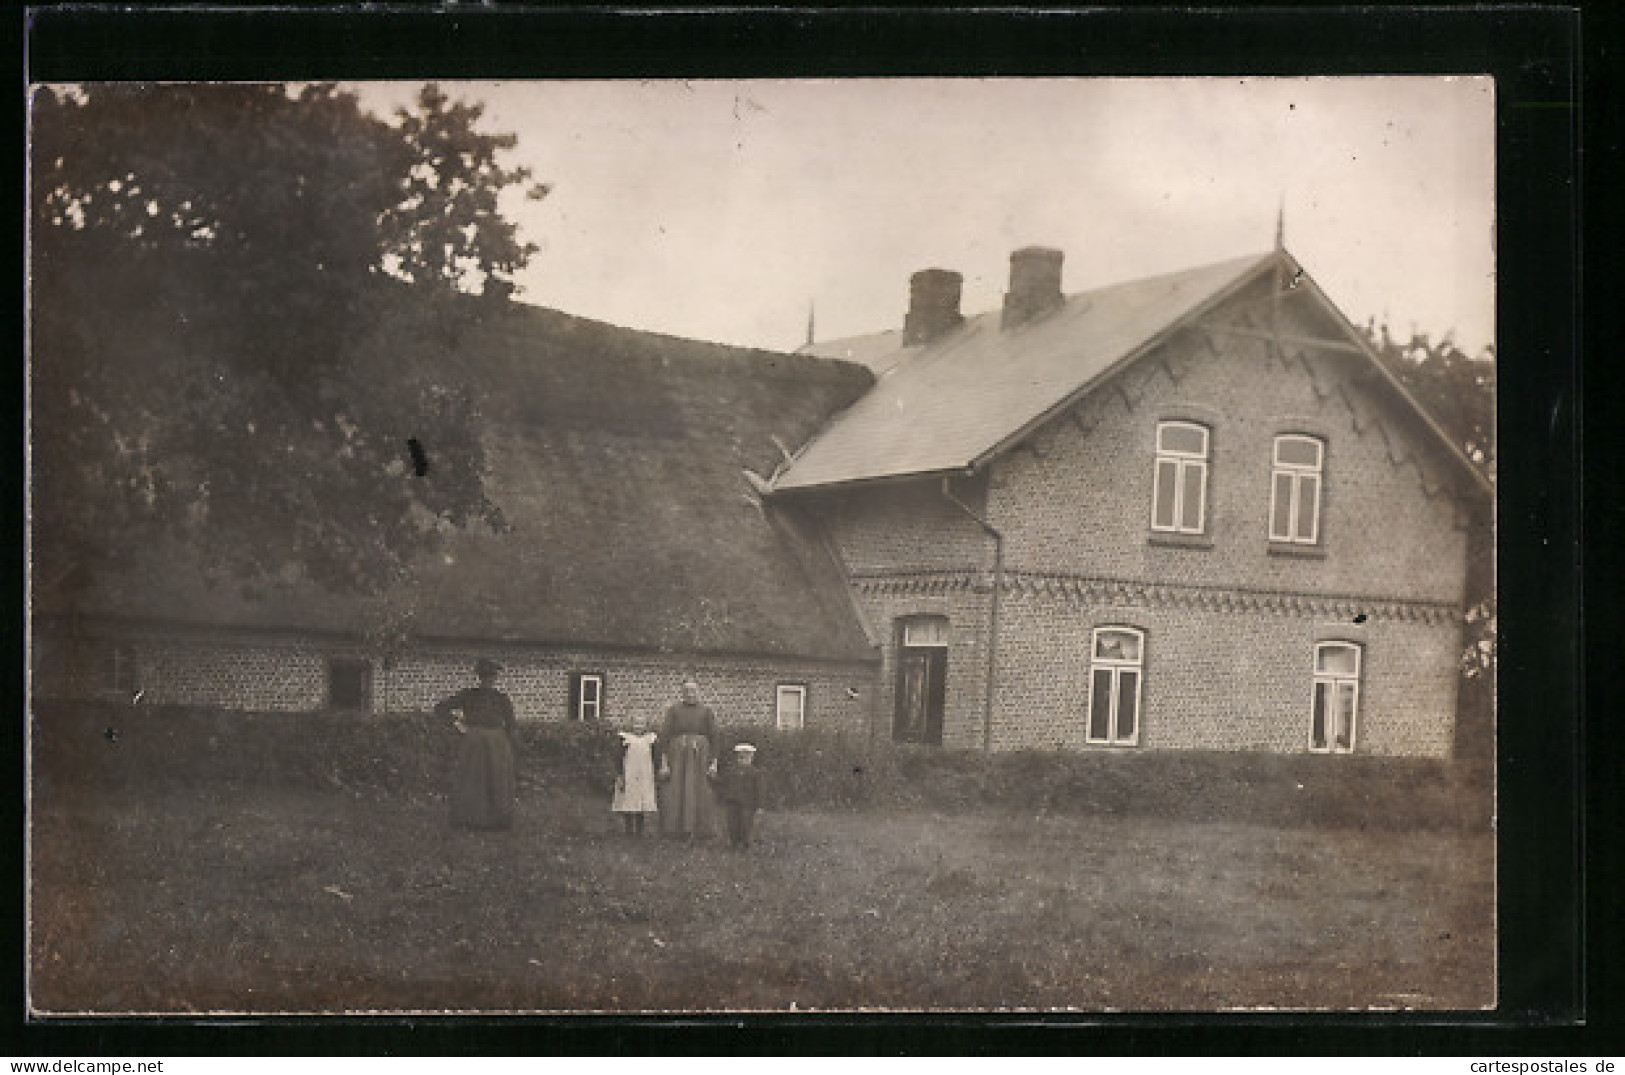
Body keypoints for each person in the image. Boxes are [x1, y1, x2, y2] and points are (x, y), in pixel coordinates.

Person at [434, 658, 518, 830]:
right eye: (486, 676)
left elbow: (511, 725)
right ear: (481, 677)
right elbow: (440, 708)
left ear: (494, 678)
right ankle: (473, 820)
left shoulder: (501, 698)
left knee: (493, 779)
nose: (489, 680)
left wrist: (509, 746)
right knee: (474, 779)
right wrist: (457, 723)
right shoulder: (470, 695)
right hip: (479, 740)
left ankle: (493, 821)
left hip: (494, 742)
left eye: (491, 677)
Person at [658, 677, 718, 839]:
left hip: (700, 755)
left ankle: (700, 829)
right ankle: (675, 829)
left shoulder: (706, 711)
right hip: (678, 755)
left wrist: (714, 763)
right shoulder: (674, 710)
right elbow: (664, 737)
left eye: (693, 691)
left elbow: (715, 738)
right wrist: (664, 764)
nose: (690, 694)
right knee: (677, 789)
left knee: (699, 789)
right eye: (686, 691)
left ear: (698, 692)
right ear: (682, 693)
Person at [610, 713, 661, 836]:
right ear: (631, 725)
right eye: (636, 723)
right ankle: (628, 830)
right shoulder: (625, 738)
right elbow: (618, 757)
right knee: (628, 800)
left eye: (641, 723)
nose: (638, 726)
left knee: (641, 801)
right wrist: (620, 775)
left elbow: (656, 758)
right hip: (629, 774)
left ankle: (639, 831)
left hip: (645, 775)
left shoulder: (650, 739)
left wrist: (656, 772)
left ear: (646, 725)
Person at [711, 742, 763, 851]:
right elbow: (723, 782)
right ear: (737, 757)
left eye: (746, 756)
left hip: (748, 804)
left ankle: (746, 845)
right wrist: (712, 778)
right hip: (732, 802)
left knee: (745, 825)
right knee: (732, 824)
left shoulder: (755, 773)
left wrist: (759, 806)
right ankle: (734, 844)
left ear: (751, 758)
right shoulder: (731, 770)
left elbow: (759, 791)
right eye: (740, 757)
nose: (743, 759)